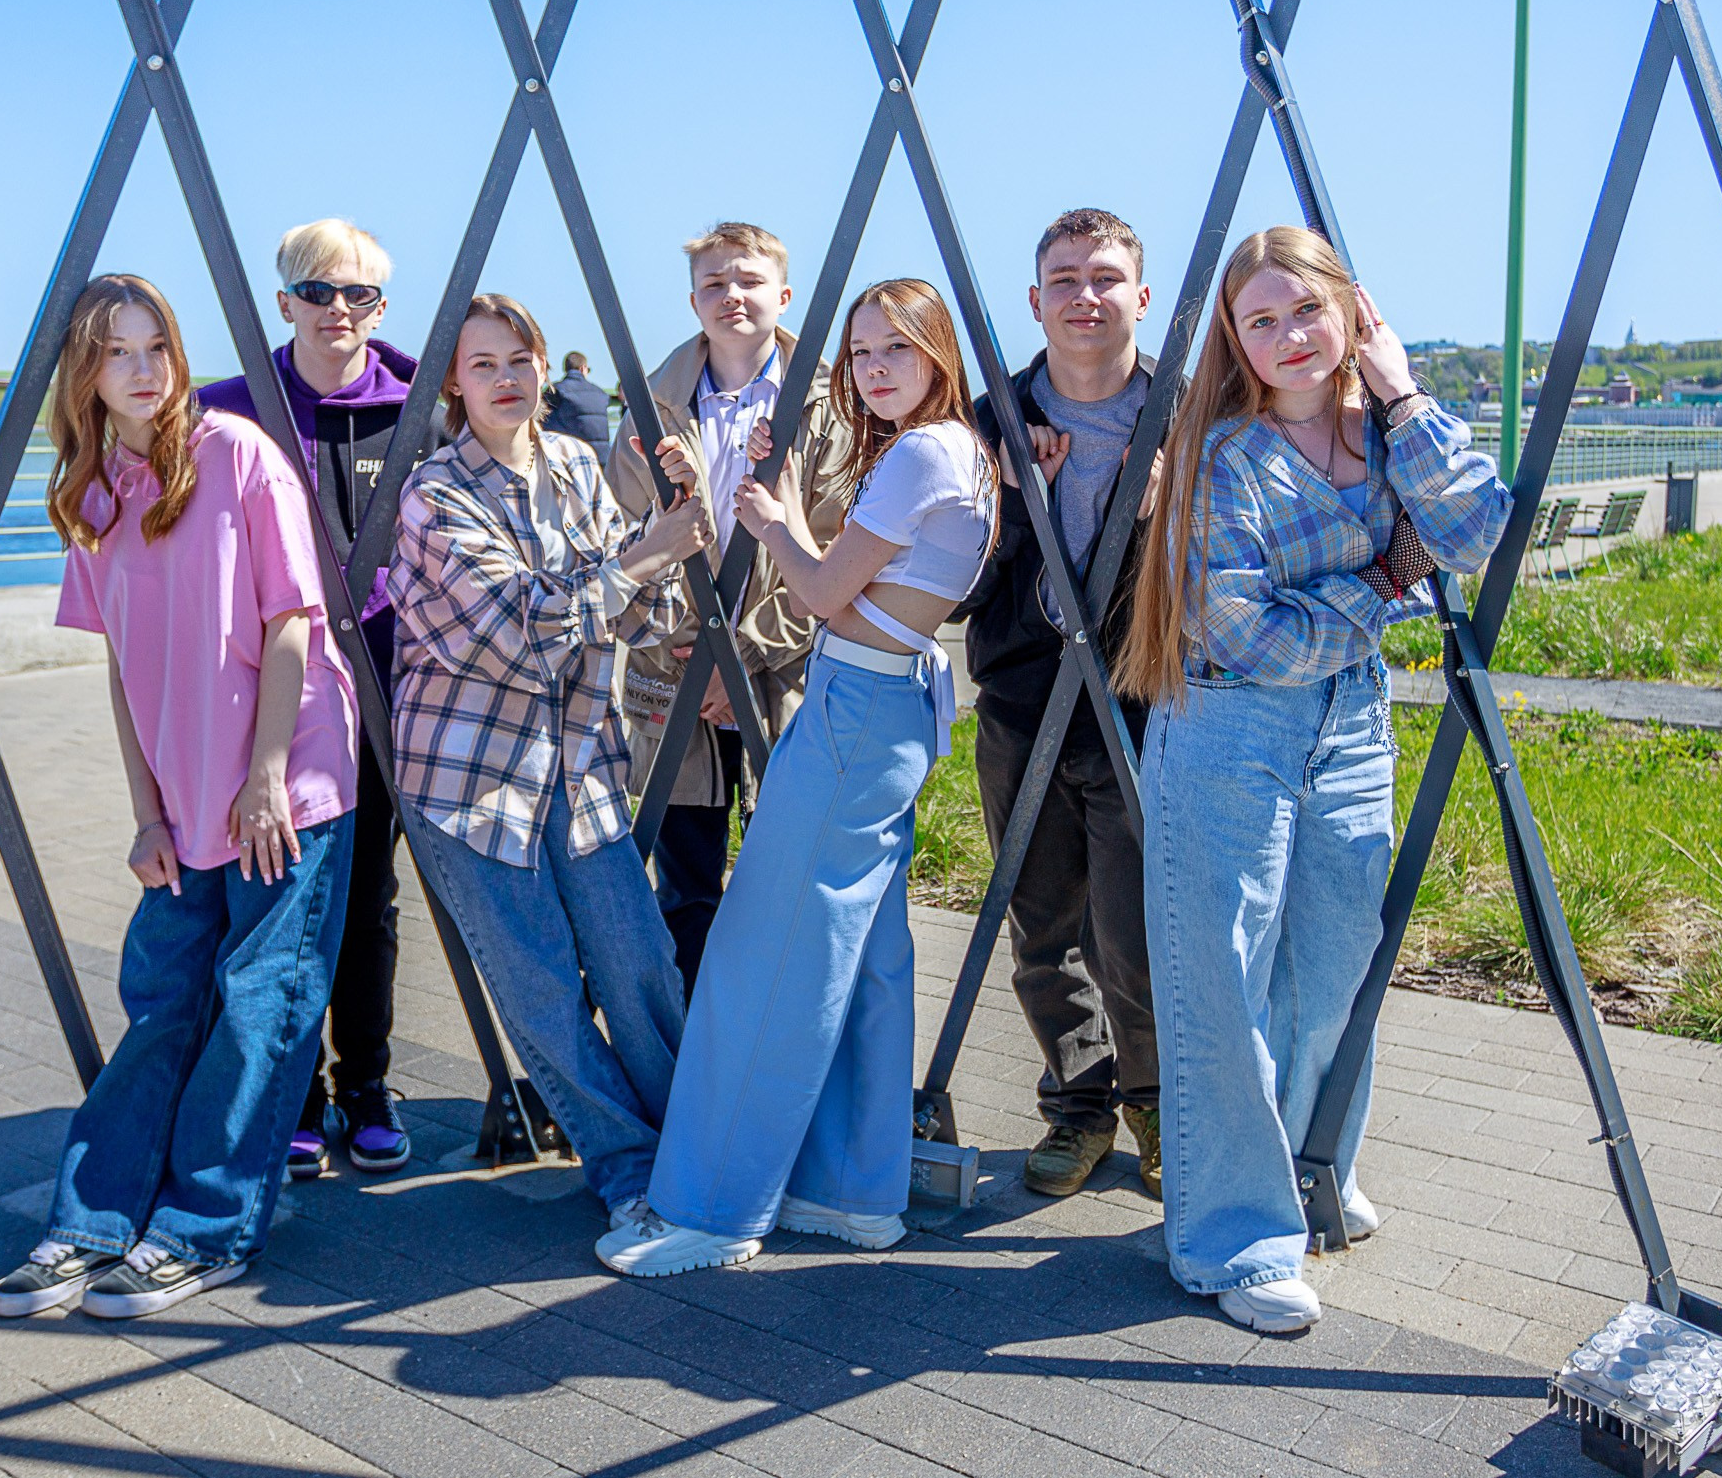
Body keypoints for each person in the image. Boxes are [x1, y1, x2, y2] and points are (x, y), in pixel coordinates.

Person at [1114, 226, 1509, 1334]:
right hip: (1227, 725)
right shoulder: (1221, 454)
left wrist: (1400, 389)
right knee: (1221, 980)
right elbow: (1245, 632)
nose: (1289, 336)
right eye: (1261, 320)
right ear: (1235, 341)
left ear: (1351, 310)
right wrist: (1386, 584)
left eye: (1307, 311)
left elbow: (1474, 530)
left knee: (1333, 962)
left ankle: (1298, 1163)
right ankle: (1234, 1237)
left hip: (1352, 721)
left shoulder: (1391, 432)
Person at [598, 278, 997, 1277]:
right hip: (890, 702)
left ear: (937, 353)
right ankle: (852, 1189)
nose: (873, 367)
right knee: (862, 951)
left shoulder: (920, 452)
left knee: (765, 952)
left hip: (856, 707)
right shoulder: (961, 453)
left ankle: (710, 1207)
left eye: (894, 348)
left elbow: (820, 592)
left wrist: (771, 522)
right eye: (860, 351)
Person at [0, 275, 359, 1321]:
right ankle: (91, 1222)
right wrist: (146, 811)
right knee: (160, 1006)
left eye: (158, 347)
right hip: (183, 798)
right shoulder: (91, 491)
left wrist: (268, 773)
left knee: (257, 1011)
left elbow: (292, 621)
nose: (145, 369)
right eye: (119, 352)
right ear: (88, 372)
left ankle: (203, 1230)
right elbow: (122, 668)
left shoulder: (239, 455)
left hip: (286, 782)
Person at [388, 293, 710, 1236]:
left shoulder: (574, 462)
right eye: (484, 364)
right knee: (540, 988)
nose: (507, 379)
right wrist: (638, 564)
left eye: (520, 358)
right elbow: (518, 641)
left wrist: (638, 572)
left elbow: (637, 617)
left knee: (640, 961)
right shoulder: (435, 495)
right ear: (453, 380)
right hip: (471, 776)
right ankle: (630, 1172)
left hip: (580, 763)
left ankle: (697, 1149)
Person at [201, 218, 435, 1182]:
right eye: (319, 291)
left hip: (382, 681)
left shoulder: (419, 400)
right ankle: (291, 1096)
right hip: (274, 686)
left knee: (369, 898)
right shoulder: (231, 406)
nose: (340, 311)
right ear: (284, 298)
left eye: (360, 295)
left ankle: (366, 1087)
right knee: (280, 891)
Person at [954, 208, 1165, 1200]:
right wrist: (1001, 503)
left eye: (1105, 277)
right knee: (1043, 927)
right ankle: (1077, 1105)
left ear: (1141, 294)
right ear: (1034, 301)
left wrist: (1164, 503)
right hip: (1022, 704)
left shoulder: (1182, 415)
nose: (1086, 296)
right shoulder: (986, 416)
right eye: (1065, 280)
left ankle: (1157, 1102)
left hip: (1140, 707)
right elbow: (954, 584)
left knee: (1137, 929)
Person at [609, 222, 854, 997]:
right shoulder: (652, 404)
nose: (731, 295)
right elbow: (619, 537)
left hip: (784, 671)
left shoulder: (829, 405)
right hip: (672, 671)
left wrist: (740, 650)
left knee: (789, 882)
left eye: (748, 279)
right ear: (692, 301)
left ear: (783, 295)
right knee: (685, 885)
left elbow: (841, 549)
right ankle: (688, 1070)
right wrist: (694, 649)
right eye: (714, 283)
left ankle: (774, 1058)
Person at [544, 349, 612, 454]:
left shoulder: (555, 390)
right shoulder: (601, 394)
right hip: (601, 458)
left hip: (571, 457)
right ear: (583, 368)